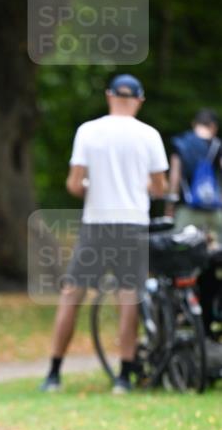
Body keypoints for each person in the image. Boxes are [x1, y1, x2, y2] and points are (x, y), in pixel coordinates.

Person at [40, 74, 168, 395]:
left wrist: (93, 190)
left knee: (72, 295)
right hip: (133, 224)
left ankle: (54, 373)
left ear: (110, 95)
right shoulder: (149, 135)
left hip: (96, 224)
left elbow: (73, 183)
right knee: (128, 298)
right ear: (139, 100)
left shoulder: (89, 131)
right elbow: (160, 187)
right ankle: (124, 377)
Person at [168, 108, 222, 242]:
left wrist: (170, 206)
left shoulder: (181, 143)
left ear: (194, 123)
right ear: (213, 126)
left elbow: (175, 177)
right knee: (216, 254)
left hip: (187, 208)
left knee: (182, 252)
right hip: (214, 209)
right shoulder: (217, 145)